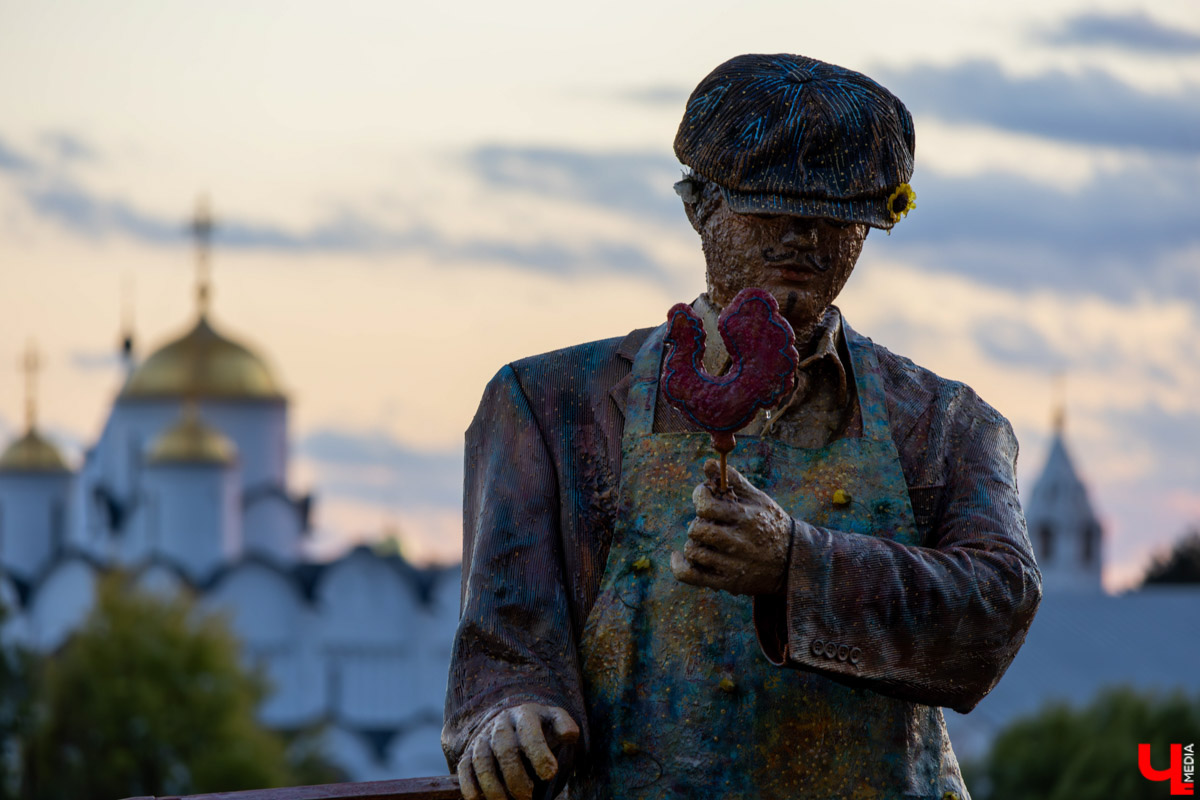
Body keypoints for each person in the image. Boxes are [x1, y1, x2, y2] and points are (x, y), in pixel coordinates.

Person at [442, 53, 1041, 800]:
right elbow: (503, 648)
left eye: (835, 219)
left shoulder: (948, 422)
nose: (805, 242)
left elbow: (997, 606)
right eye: (770, 212)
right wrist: (508, 715)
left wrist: (799, 564)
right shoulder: (548, 406)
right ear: (699, 208)